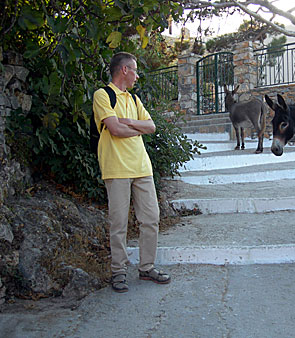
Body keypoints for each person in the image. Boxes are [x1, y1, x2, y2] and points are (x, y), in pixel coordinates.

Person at [93, 52, 170, 293]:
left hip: (141, 167)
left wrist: (127, 123)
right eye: (135, 71)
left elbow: (151, 126)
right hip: (116, 168)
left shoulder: (134, 99)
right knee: (119, 223)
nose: (137, 76)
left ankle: (146, 267)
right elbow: (114, 129)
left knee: (151, 219)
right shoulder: (102, 95)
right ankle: (118, 271)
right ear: (124, 70)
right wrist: (132, 126)